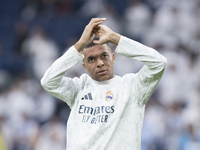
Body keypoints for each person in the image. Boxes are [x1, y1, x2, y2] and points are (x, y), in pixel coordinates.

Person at [41, 18, 167, 150]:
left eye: (104, 56)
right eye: (91, 59)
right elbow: (48, 81)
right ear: (84, 66)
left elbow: (159, 63)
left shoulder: (132, 86)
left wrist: (116, 39)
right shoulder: (78, 87)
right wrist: (79, 45)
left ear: (113, 57)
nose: (100, 63)